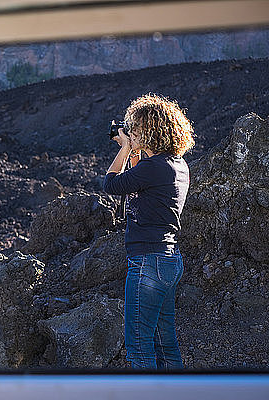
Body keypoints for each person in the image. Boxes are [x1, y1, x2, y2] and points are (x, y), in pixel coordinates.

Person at [103, 93, 195, 370]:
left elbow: (112, 185)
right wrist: (134, 150)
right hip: (168, 261)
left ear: (151, 130)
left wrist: (124, 148)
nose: (132, 132)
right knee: (166, 345)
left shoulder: (154, 167)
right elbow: (137, 182)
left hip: (147, 263)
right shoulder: (175, 165)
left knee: (139, 348)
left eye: (136, 128)